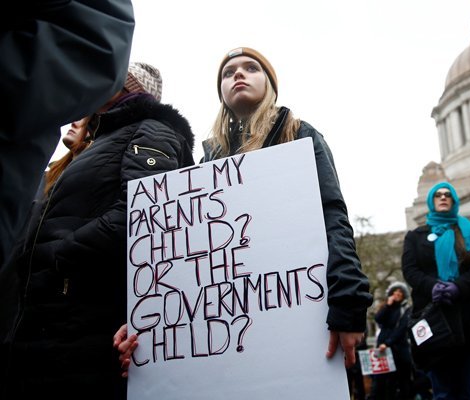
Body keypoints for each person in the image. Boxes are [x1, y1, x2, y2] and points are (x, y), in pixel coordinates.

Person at [114, 47, 373, 373]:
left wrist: (348, 303)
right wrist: (145, 326)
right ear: (221, 91)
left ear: (270, 84)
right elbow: (189, 254)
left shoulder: (301, 135)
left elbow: (333, 218)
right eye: (228, 72)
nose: (238, 74)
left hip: (300, 319)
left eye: (251, 68)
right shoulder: (207, 162)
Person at [0, 62, 196, 399]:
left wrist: (54, 253)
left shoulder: (152, 130)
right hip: (49, 325)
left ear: (125, 86)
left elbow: (144, 216)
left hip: (87, 330)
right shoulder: (99, 144)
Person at [0, 0, 135, 269]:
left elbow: (131, 215)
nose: (76, 121)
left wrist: (57, 251)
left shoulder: (143, 136)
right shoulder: (56, 167)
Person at [402, 181, 470, 399]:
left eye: (448, 195)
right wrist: (433, 286)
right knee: (444, 392)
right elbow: (410, 271)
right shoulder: (415, 236)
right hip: (436, 322)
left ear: (454, 201)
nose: (443, 198)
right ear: (431, 201)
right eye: (438, 195)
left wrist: (458, 286)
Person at [373, 281, 413, 400]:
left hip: (398, 348)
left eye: (400, 292)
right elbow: (378, 319)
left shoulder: (406, 309)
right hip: (383, 348)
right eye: (395, 291)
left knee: (402, 380)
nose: (397, 293)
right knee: (383, 381)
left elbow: (402, 328)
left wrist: (388, 343)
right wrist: (387, 306)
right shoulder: (387, 307)